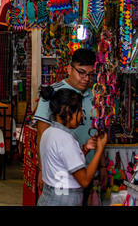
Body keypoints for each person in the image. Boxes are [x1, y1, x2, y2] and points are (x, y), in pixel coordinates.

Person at [34, 48, 107, 205]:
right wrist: (42, 169)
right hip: (64, 178)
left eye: (90, 74)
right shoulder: (54, 93)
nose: (86, 78)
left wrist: (101, 165)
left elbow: (98, 132)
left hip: (87, 171)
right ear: (69, 69)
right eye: (81, 72)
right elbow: (41, 135)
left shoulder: (96, 95)